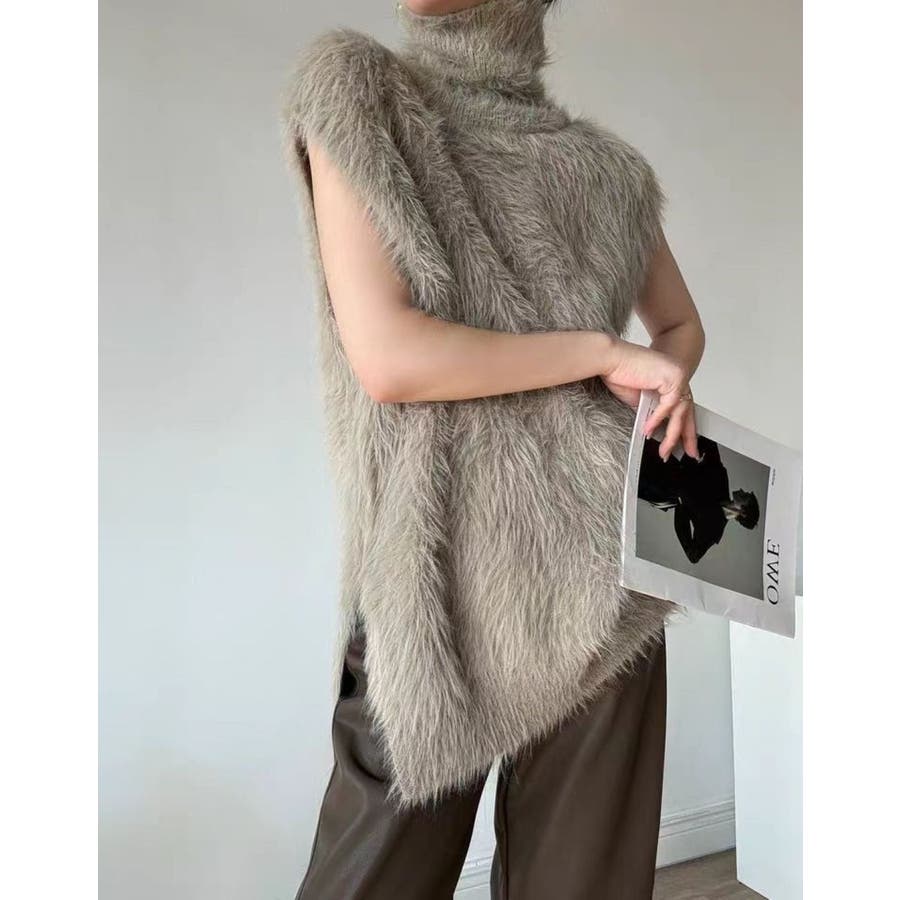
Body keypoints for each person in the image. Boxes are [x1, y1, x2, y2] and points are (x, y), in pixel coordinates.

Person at [281, 1, 706, 897]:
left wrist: (660, 385)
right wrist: (604, 354)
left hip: (600, 578)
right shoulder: (358, 89)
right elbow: (391, 360)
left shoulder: (611, 172)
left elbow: (677, 328)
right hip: (435, 584)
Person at [639, 436, 761, 564]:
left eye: (746, 496)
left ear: (743, 511)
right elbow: (709, 443)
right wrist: (689, 462)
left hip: (658, 490)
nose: (742, 490)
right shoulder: (721, 480)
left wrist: (680, 508)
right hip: (665, 461)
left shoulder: (714, 529)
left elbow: (693, 556)